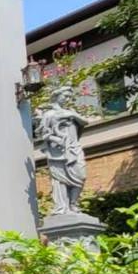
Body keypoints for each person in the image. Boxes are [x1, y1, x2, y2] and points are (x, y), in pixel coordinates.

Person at [37, 86, 88, 215]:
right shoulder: (49, 114)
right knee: (60, 180)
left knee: (81, 176)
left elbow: (85, 122)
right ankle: (63, 207)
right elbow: (43, 134)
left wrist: (72, 114)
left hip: (74, 148)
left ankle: (73, 203)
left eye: (69, 97)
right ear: (57, 96)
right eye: (65, 96)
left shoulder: (71, 112)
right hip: (58, 151)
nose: (67, 99)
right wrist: (57, 139)